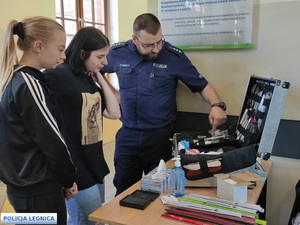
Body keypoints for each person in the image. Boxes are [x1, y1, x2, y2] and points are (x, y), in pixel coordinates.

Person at [100, 13, 227, 195]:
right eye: (149, 45)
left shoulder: (173, 56)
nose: (156, 49)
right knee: (124, 190)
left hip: (159, 137)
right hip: (128, 135)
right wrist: (109, 91)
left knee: (160, 192)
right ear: (134, 39)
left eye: (159, 42)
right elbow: (93, 67)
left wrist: (217, 105)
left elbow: (202, 85)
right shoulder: (118, 53)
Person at [0, 16, 77, 225]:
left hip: (22, 189)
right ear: (39, 46)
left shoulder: (12, 78)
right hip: (39, 192)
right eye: (60, 49)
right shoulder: (29, 83)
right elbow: (52, 140)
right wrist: (68, 179)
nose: (63, 57)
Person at [43, 27, 121, 225]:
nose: (105, 62)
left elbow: (114, 113)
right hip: (76, 167)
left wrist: (100, 78)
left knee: (94, 220)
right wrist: (63, 176)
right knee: (85, 221)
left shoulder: (87, 77)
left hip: (94, 163)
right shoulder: (57, 76)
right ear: (82, 53)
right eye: (100, 56)